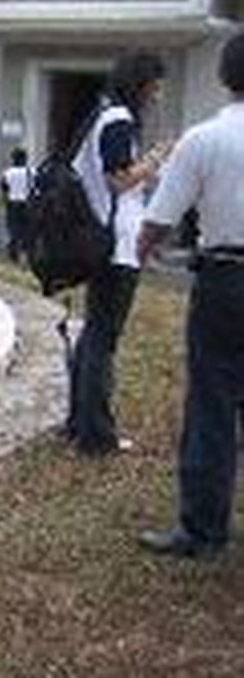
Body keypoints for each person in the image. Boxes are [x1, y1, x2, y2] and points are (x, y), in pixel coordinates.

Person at [136, 32, 244, 558]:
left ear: (226, 76)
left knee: (214, 400)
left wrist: (144, 249)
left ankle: (203, 529)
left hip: (226, 280)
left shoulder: (203, 139)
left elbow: (158, 218)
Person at [65, 52, 170, 456]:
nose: (158, 95)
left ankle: (80, 422)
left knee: (94, 334)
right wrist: (157, 160)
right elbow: (119, 179)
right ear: (141, 84)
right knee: (102, 339)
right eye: (155, 85)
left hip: (103, 240)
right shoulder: (118, 121)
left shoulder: (101, 116)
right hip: (116, 243)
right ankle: (96, 433)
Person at [0, 147, 32, 263]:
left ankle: (13, 255)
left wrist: (6, 203)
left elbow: (4, 189)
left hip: (12, 203)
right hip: (27, 203)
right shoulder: (31, 172)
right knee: (27, 230)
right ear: (25, 159)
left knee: (13, 230)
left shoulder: (7, 173)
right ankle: (26, 254)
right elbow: (35, 188)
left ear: (13, 159)